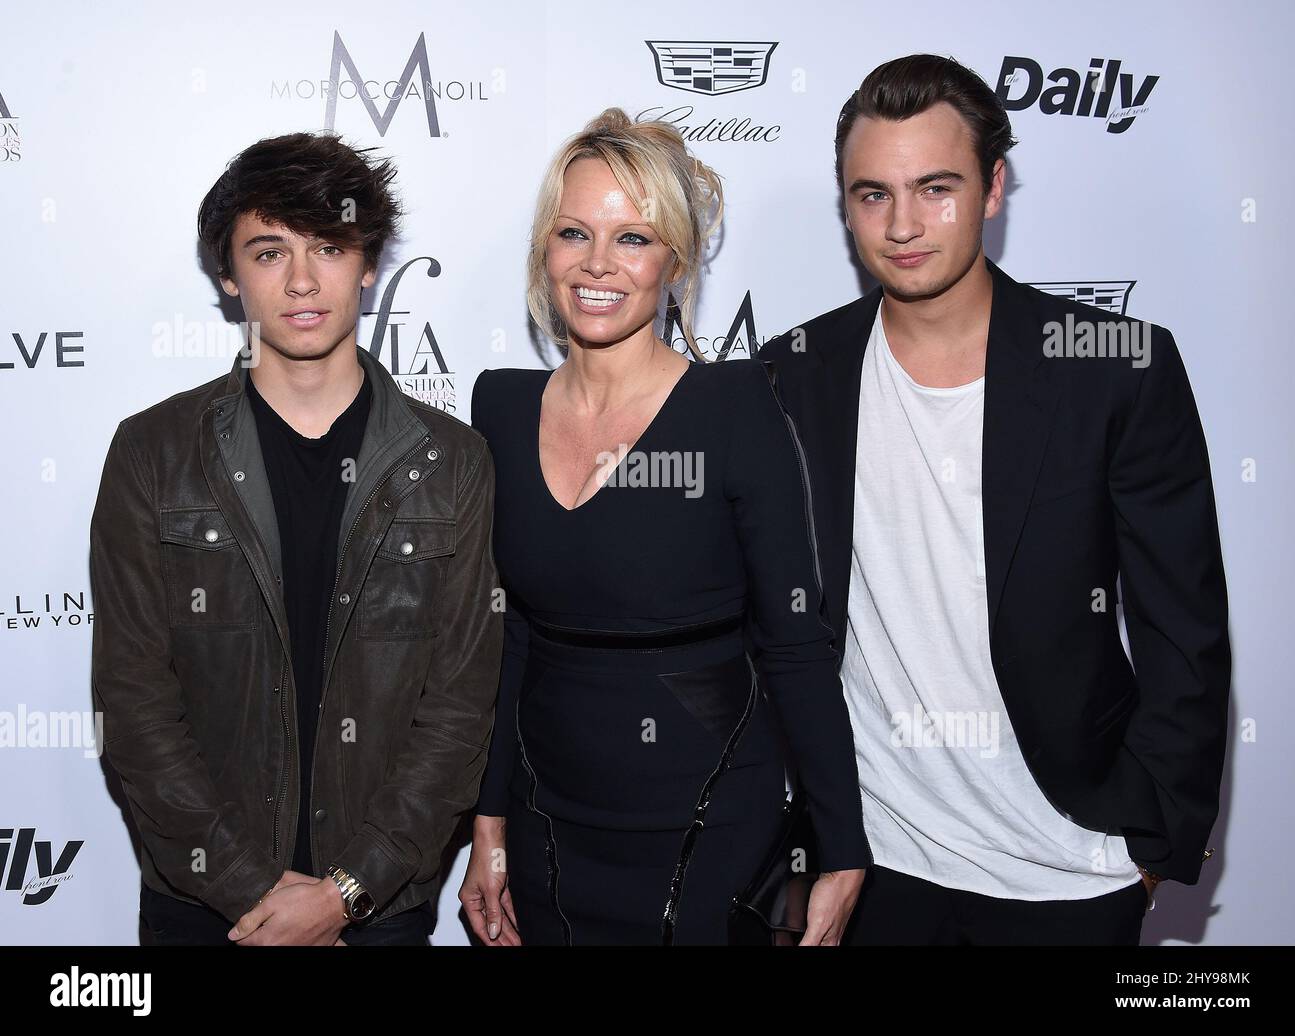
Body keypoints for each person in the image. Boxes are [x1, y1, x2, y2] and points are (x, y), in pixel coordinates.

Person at [759, 54, 1231, 945]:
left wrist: (1153, 838)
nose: (902, 224)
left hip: (1072, 862)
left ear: (994, 186)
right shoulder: (793, 374)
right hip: (876, 861)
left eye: (936, 187)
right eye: (872, 194)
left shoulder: (1113, 367)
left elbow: (1185, 631)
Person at [458, 108, 868, 945]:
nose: (599, 264)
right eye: (575, 232)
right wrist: (489, 821)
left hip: (711, 825)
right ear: (546, 249)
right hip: (548, 829)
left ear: (674, 263)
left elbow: (794, 642)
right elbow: (510, 640)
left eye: (633, 238)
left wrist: (841, 844)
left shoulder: (737, 409)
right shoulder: (499, 406)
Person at [89, 131, 503, 945]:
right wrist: (251, 888)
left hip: (379, 911)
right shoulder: (153, 453)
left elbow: (460, 708)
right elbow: (133, 706)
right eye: (270, 252)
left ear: (370, 264)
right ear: (227, 276)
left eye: (330, 246)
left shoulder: (453, 462)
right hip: (206, 908)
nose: (305, 280)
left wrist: (345, 893)